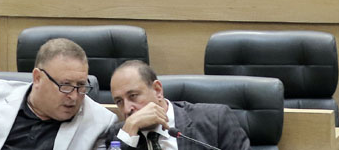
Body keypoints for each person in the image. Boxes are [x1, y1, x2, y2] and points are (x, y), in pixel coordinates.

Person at [0, 38, 114, 150]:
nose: (74, 96)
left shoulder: (100, 121)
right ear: (38, 78)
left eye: (81, 86)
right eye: (65, 85)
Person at [105, 60, 250, 150]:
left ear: (157, 90)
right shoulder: (119, 135)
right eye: (119, 101)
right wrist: (128, 133)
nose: (127, 109)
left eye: (133, 96)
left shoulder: (215, 120)